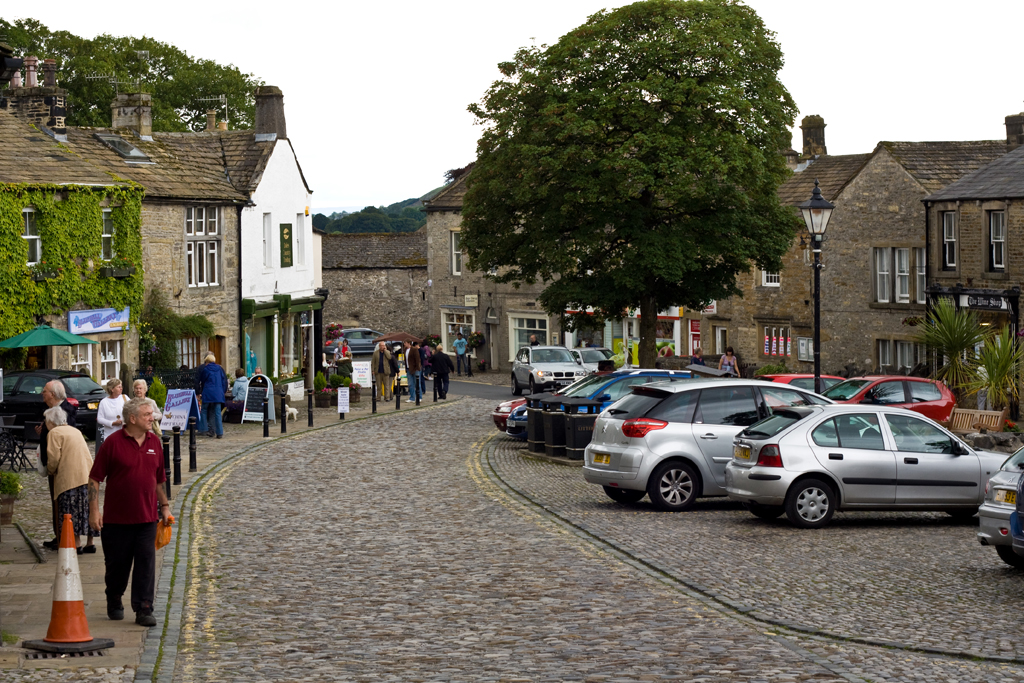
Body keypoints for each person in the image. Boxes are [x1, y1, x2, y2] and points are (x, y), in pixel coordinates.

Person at [89, 398, 170, 628]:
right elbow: (94, 479)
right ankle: (114, 597)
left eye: (151, 414)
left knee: (146, 563)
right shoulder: (113, 443)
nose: (151, 417)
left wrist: (164, 506)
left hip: (146, 518)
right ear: (132, 418)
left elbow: (159, 479)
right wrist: (94, 512)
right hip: (116, 520)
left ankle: (144, 608)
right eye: (146, 414)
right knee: (117, 566)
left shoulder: (155, 441)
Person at [44, 406, 95, 554]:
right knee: (86, 509)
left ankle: (76, 543)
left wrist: (50, 470)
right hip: (86, 474)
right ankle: (90, 542)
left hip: (69, 477)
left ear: (51, 421)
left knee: (70, 511)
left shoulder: (54, 432)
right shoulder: (75, 430)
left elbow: (53, 458)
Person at [38, 380, 78, 551]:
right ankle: (59, 535)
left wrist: (52, 466)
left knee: (61, 501)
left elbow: (63, 436)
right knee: (56, 501)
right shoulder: (53, 410)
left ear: (53, 394)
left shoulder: (65, 410)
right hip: (54, 461)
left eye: (45, 391)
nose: (42, 393)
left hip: (61, 465)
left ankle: (64, 537)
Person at [198, 353, 228, 438]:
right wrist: (223, 391)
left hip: (208, 392)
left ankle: (204, 428)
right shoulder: (219, 369)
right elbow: (223, 381)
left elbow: (202, 380)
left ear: (207, 361)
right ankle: (219, 432)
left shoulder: (206, 369)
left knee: (204, 410)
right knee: (217, 413)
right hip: (218, 393)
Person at [96, 378, 128, 452]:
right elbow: (100, 419)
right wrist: (112, 423)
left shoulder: (124, 398)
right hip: (110, 434)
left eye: (121, 386)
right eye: (118, 387)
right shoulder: (104, 402)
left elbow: (132, 410)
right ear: (112, 389)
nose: (121, 388)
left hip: (124, 432)